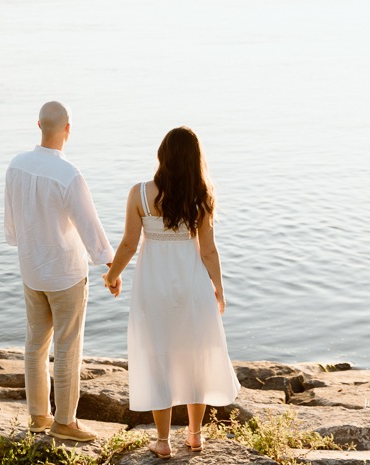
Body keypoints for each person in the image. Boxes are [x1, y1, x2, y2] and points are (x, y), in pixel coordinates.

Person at [103, 126, 240, 458]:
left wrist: (111, 275)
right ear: (195, 160)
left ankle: (163, 441)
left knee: (157, 357)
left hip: (154, 290)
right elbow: (208, 251)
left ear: (162, 155)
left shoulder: (139, 194)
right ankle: (194, 436)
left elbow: (128, 244)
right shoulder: (201, 198)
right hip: (193, 290)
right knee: (196, 356)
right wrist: (219, 288)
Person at [4, 101, 120, 442]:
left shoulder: (16, 166)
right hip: (66, 274)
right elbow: (90, 227)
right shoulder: (69, 175)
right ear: (69, 129)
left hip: (31, 271)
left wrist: (21, 242)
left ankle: (38, 416)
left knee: (35, 345)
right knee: (68, 347)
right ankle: (65, 422)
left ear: (38, 124)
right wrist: (111, 266)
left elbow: (11, 226)